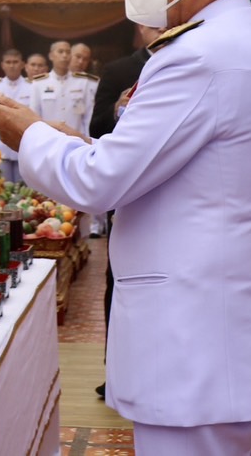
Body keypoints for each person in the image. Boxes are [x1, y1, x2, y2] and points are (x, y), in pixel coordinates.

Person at [0, 0, 251, 454]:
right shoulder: (247, 44)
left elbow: (101, 184)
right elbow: (176, 167)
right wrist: (75, 142)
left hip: (192, 338)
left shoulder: (198, 54)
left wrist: (28, 135)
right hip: (222, 329)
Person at [86, 22, 161, 399]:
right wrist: (118, 110)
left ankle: (161, 370)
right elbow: (96, 127)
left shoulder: (192, 64)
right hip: (130, 192)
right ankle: (116, 371)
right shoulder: (119, 71)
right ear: (142, 27)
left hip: (173, 197)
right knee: (120, 281)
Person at [0, 48, 29, 183]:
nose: (12, 65)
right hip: (0, 147)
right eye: (8, 62)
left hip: (24, 147)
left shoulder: (32, 86)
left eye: (15, 62)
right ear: (2, 65)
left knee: (25, 192)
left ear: (22, 64)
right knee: (3, 190)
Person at [31, 39, 91, 133]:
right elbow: (34, 116)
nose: (64, 55)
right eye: (60, 52)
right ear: (51, 56)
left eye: (68, 52)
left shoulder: (82, 82)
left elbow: (88, 116)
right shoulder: (39, 83)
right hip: (50, 138)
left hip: (77, 139)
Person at [70, 42, 100, 107]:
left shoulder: (93, 82)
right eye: (78, 57)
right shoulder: (56, 78)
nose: (81, 62)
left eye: (85, 59)